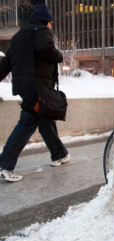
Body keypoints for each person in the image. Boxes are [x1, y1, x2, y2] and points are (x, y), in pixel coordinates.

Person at [0, 4, 70, 182]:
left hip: (25, 86)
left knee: (45, 119)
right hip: (36, 87)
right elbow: (46, 48)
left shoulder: (18, 37)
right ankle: (5, 165)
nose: (51, 26)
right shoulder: (41, 31)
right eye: (51, 23)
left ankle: (59, 154)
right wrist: (59, 56)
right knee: (27, 123)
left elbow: (6, 63)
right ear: (47, 21)